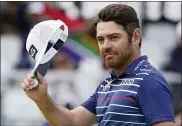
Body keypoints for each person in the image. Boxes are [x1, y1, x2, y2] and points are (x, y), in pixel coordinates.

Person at [21, 4, 176, 126]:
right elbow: (72, 122)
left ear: (135, 37)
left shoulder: (149, 80)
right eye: (101, 39)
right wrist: (42, 99)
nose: (105, 46)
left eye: (114, 37)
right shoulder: (107, 85)